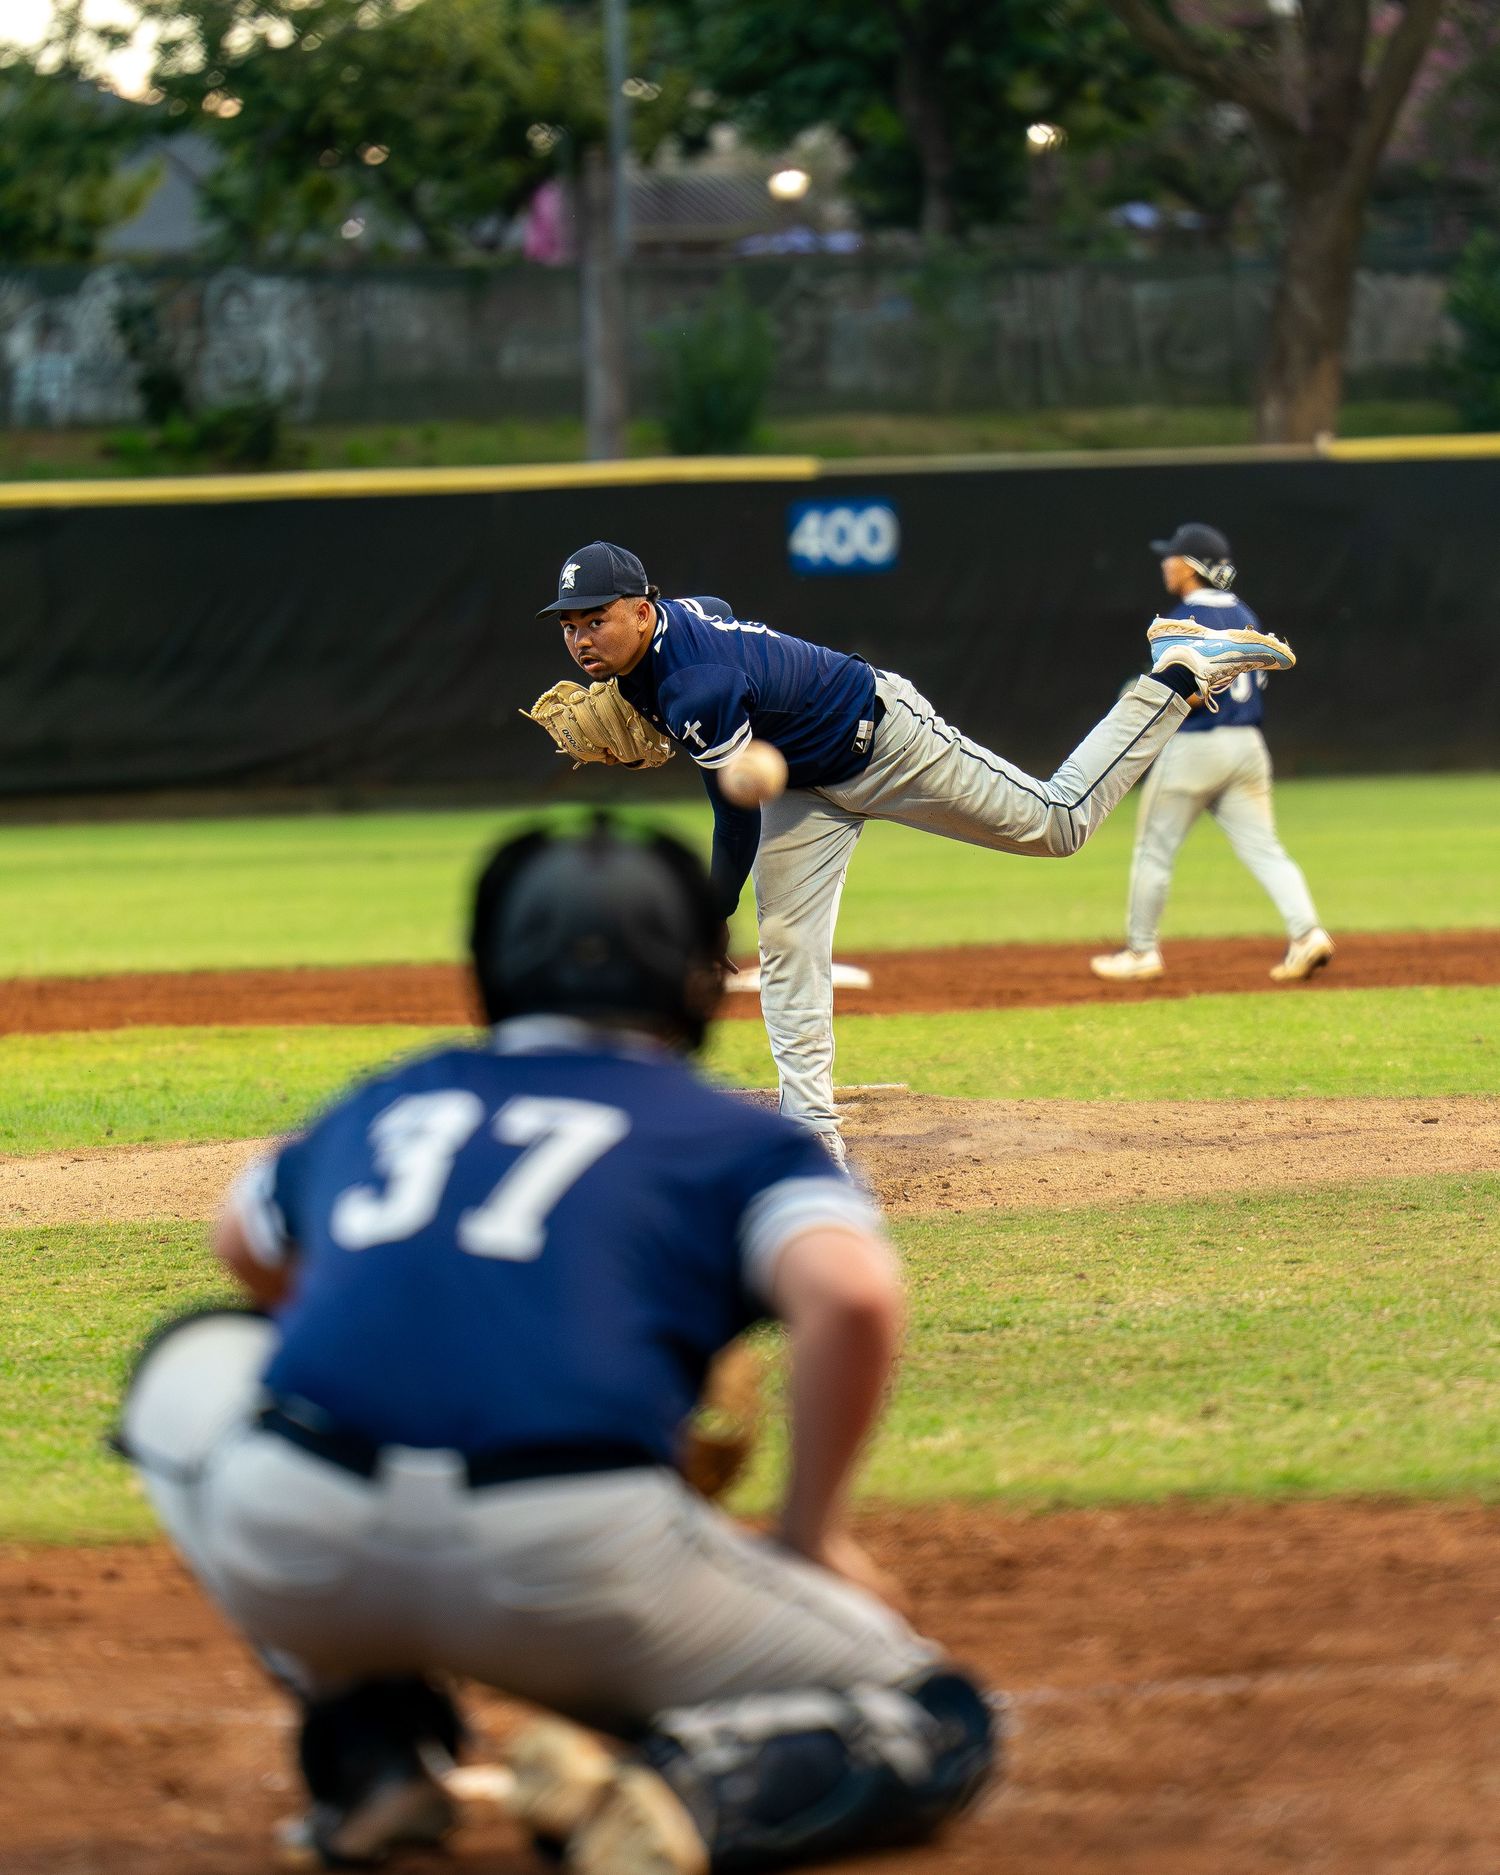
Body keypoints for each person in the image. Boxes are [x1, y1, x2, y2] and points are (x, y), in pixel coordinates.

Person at [115, 819, 997, 1875]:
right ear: (696, 982)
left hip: (301, 1542)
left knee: (188, 1364)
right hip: (572, 1562)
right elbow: (851, 1295)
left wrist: (439, 1332)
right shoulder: (734, 1136)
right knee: (937, 1718)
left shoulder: (395, 1095)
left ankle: (373, 1751)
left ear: (489, 970)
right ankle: (675, 1789)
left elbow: (245, 1251)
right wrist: (810, 1534)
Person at [535, 540, 1297, 1161]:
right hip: (803, 787)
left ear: (643, 608)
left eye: (596, 619)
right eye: (568, 625)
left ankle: (1173, 673)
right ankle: (811, 1131)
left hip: (885, 740)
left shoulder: (693, 687)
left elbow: (734, 809)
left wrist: (710, 914)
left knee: (1058, 823)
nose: (580, 638)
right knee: (790, 944)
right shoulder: (673, 631)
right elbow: (719, 610)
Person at [1090, 523, 1334, 985]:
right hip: (1248, 747)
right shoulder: (1246, 614)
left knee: (1153, 851)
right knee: (1265, 849)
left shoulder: (1180, 618)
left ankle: (1141, 951)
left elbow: (1190, 693)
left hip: (1195, 746)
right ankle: (1307, 934)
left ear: (1190, 566)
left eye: (1172, 557)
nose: (1165, 563)